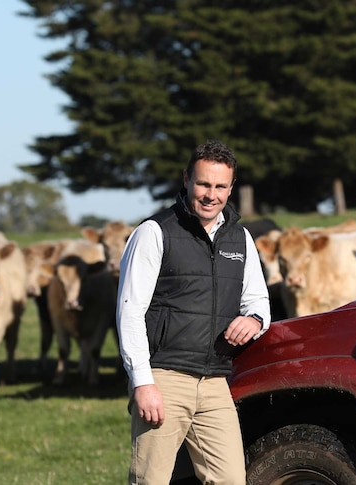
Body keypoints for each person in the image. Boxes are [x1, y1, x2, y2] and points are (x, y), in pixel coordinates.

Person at [116, 140, 271, 484]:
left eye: (219, 186)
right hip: (165, 378)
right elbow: (129, 312)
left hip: (216, 382)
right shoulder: (154, 233)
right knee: (150, 480)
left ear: (231, 188)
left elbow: (259, 300)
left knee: (231, 480)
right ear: (186, 180)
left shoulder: (240, 238)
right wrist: (143, 382)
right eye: (203, 184)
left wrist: (255, 320)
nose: (210, 195)